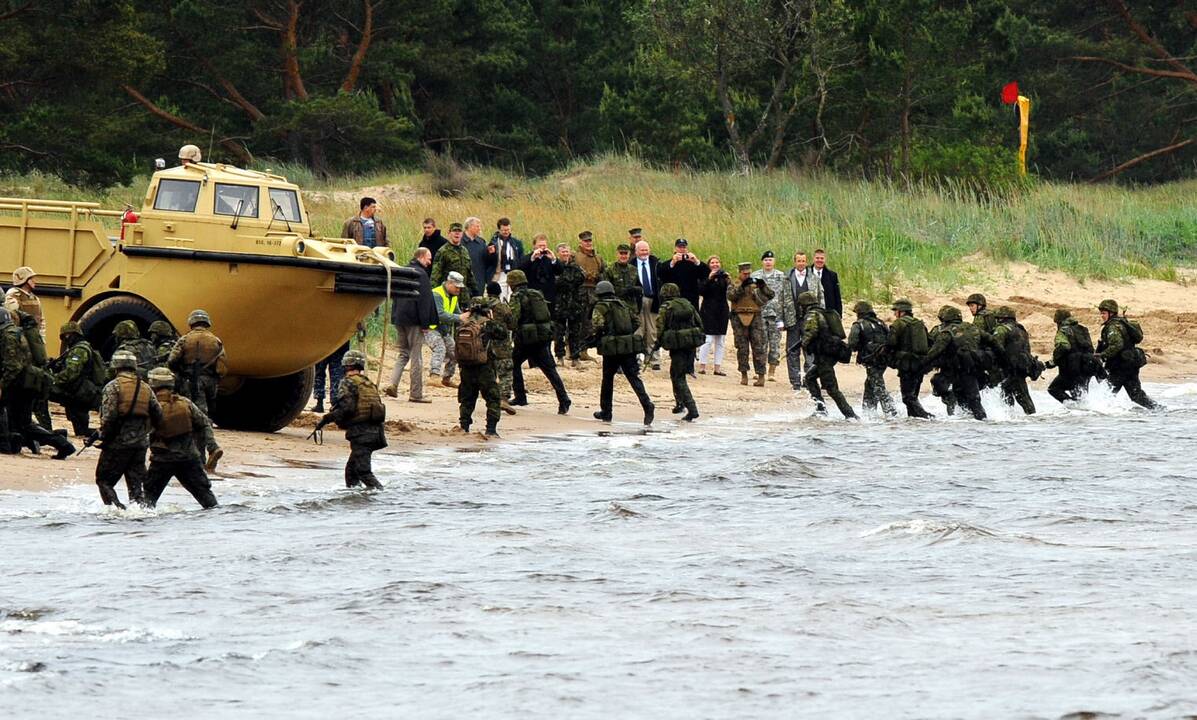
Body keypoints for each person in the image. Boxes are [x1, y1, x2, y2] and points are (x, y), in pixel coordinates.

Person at [0, 308, 75, 458]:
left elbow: (13, 366)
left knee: (22, 423)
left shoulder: (8, 336)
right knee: (20, 422)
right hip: (27, 382)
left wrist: (1, 385)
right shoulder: (16, 331)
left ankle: (61, 443)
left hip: (20, 385)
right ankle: (17, 446)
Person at [95, 350, 164, 508]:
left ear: (115, 367)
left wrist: (103, 436)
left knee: (104, 481)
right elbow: (158, 415)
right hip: (140, 445)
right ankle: (140, 514)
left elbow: (109, 416)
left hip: (118, 444)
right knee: (136, 487)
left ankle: (116, 510)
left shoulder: (113, 387)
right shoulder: (146, 387)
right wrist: (146, 432)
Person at [143, 367, 219, 509]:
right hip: (189, 459)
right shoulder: (185, 403)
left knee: (146, 502)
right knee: (208, 501)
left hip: (162, 461)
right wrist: (212, 446)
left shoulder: (151, 406)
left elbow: (142, 435)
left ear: (152, 384)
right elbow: (204, 424)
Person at [316, 350, 386, 489]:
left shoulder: (348, 382)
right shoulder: (368, 383)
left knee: (363, 472)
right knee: (351, 472)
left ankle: (382, 497)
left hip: (362, 433)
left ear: (346, 365)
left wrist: (326, 419)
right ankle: (357, 500)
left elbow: (346, 408)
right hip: (376, 433)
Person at [590, 281, 654, 425]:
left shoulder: (600, 306)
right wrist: (624, 335)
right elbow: (636, 322)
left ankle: (606, 411)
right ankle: (647, 405)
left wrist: (600, 337)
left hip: (611, 349)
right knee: (633, 377)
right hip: (628, 346)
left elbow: (597, 325)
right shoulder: (623, 304)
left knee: (607, 379)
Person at [508, 270, 571, 414]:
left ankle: (520, 396)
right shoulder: (536, 294)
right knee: (550, 370)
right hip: (542, 337)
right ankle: (563, 399)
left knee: (513, 364)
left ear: (512, 284)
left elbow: (513, 318)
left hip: (525, 339)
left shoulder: (517, 296)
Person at [383, 248, 437, 403]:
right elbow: (424, 301)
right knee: (416, 356)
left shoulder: (403, 270)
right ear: (420, 257)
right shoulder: (421, 274)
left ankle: (393, 384)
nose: (429, 262)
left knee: (403, 353)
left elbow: (394, 295)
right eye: (428, 258)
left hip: (400, 319)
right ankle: (416, 393)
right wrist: (425, 323)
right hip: (414, 320)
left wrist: (395, 317)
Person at [798, 291, 857, 419]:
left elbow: (810, 332)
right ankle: (821, 409)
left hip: (824, 355)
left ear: (804, 305)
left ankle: (850, 415)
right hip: (832, 352)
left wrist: (804, 344)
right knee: (809, 378)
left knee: (831, 388)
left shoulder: (812, 315)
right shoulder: (825, 313)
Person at [456, 297, 508, 436]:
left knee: (467, 399)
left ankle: (464, 426)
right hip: (485, 367)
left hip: (466, 367)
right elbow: (503, 334)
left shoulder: (463, 325)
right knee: (493, 398)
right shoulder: (488, 324)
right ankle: (491, 429)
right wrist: (491, 318)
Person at [925, 305, 987, 420]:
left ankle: (956, 419)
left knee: (949, 393)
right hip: (970, 368)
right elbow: (991, 341)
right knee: (973, 400)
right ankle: (978, 421)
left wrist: (921, 364)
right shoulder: (972, 328)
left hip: (951, 369)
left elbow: (932, 351)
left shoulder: (942, 331)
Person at [1097, 299, 1159, 409]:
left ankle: (1099, 415)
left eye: (1104, 313)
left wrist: (1102, 355)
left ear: (1111, 313)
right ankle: (1159, 410)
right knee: (1136, 395)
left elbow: (1117, 345)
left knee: (1105, 393)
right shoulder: (1122, 323)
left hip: (1120, 366)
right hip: (1130, 364)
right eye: (1101, 313)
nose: (1102, 316)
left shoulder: (1113, 327)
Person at [655, 283, 703, 421]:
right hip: (691, 344)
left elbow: (660, 327)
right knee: (677, 373)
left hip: (677, 346)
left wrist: (657, 342)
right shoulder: (687, 304)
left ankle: (692, 409)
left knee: (678, 376)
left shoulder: (666, 307)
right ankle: (679, 403)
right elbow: (699, 323)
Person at [50, 321, 107, 437]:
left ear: (74, 335)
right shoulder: (77, 348)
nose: (65, 339)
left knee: (82, 429)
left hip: (80, 392)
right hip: (80, 392)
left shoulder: (80, 350)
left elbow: (71, 373)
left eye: (67, 336)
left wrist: (52, 379)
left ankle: (104, 434)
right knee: (80, 429)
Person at [168, 309, 227, 418]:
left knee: (196, 409)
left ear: (191, 322)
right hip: (211, 380)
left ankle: (200, 430)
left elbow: (172, 360)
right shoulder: (216, 341)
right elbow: (222, 366)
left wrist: (180, 372)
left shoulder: (185, 339)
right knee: (209, 407)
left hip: (191, 379)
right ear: (207, 322)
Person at [727, 262, 773, 387]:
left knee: (758, 346)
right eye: (744, 273)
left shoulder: (756, 284)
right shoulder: (734, 283)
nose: (747, 276)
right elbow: (731, 296)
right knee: (742, 347)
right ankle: (744, 374)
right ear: (740, 273)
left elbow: (770, 295)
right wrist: (742, 287)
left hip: (755, 316)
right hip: (738, 316)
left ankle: (761, 375)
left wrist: (762, 286)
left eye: (748, 273)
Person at [847, 301, 897, 416]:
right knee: (870, 384)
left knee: (877, 385)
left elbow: (852, 344)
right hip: (884, 358)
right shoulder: (881, 323)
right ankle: (869, 412)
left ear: (859, 313)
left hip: (870, 359)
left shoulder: (858, 324)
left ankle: (891, 412)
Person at [886, 299, 933, 418]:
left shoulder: (898, 324)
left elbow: (891, 343)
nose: (894, 314)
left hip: (906, 365)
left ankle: (926, 416)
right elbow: (930, 341)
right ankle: (913, 420)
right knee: (913, 396)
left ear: (901, 312)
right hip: (921, 365)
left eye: (895, 311)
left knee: (907, 397)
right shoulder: (919, 323)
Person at [990, 306, 1039, 415]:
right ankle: (1014, 418)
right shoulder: (1021, 329)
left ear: (1000, 318)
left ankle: (1012, 418)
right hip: (1022, 366)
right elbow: (1027, 349)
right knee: (1015, 394)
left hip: (1009, 368)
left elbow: (996, 347)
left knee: (1018, 396)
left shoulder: (1002, 329)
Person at [1047, 308, 1104, 403]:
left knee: (1054, 389)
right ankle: (1081, 412)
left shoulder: (1063, 331)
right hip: (1087, 367)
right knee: (1081, 397)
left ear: (1059, 321)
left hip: (1071, 369)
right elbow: (1090, 349)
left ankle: (1073, 407)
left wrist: (1053, 361)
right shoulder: (1083, 329)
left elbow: (1064, 347)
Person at [751, 250, 787, 382]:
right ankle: (759, 371)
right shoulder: (756, 275)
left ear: (774, 261)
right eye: (765, 260)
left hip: (776, 316)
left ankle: (772, 372)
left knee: (775, 344)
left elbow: (785, 297)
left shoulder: (781, 276)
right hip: (759, 314)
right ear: (762, 262)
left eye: (770, 260)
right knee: (760, 344)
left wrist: (783, 318)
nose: (768, 262)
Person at [484, 282, 518, 414]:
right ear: (499, 293)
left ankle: (490, 398)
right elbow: (512, 325)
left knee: (488, 372)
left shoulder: (480, 304)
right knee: (505, 372)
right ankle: (503, 398)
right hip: (501, 345)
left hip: (484, 344)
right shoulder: (503, 307)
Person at [552, 244, 588, 367]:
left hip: (574, 304)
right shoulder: (555, 267)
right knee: (559, 332)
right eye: (563, 252)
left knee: (575, 332)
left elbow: (582, 277)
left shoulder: (575, 267)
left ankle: (575, 357)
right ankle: (560, 356)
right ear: (558, 253)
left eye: (567, 251)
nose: (565, 254)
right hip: (559, 304)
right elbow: (554, 282)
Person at [783, 252, 815, 389]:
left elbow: (821, 298)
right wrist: (780, 319)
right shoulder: (787, 279)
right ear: (795, 262)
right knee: (792, 350)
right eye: (798, 261)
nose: (801, 263)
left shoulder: (814, 278)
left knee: (810, 350)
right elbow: (781, 299)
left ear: (806, 262)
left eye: (803, 261)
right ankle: (795, 381)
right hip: (792, 319)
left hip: (810, 320)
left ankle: (809, 380)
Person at [574, 230, 606, 361]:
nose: (588, 243)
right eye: (586, 241)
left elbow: (604, 272)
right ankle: (575, 349)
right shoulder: (575, 257)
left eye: (590, 240)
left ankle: (584, 350)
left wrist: (597, 277)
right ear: (580, 242)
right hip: (581, 292)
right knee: (579, 322)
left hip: (594, 292)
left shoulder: (598, 258)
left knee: (590, 323)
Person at [430, 272, 466, 388]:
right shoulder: (437, 294)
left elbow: (457, 313)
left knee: (454, 352)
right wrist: (460, 317)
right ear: (449, 283)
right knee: (440, 349)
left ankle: (446, 378)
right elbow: (440, 314)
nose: (458, 290)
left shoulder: (453, 296)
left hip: (444, 330)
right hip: (431, 328)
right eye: (457, 287)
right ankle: (434, 376)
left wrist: (469, 319)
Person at [697, 256, 730, 375]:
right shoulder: (705, 276)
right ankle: (702, 366)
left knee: (720, 340)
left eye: (717, 262)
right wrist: (709, 278)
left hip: (722, 310)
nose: (715, 264)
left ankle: (717, 367)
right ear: (708, 264)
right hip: (708, 309)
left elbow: (729, 292)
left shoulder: (724, 277)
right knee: (708, 339)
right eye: (712, 262)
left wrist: (728, 280)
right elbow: (700, 290)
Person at [633, 239, 662, 370]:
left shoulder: (656, 263)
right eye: (642, 250)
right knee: (638, 330)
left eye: (646, 250)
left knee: (653, 330)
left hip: (653, 299)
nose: (645, 252)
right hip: (637, 301)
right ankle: (637, 357)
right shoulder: (631, 264)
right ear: (636, 251)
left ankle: (653, 359)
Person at [430, 222, 476, 301]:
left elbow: (469, 273)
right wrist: (433, 294)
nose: (457, 233)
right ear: (449, 233)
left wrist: (475, 290)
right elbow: (435, 275)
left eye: (459, 231)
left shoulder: (464, 251)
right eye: (454, 231)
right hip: (448, 294)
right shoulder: (443, 251)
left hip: (464, 295)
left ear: (462, 234)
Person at [657, 238, 704, 309]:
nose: (682, 249)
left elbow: (705, 274)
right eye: (679, 247)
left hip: (691, 299)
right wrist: (672, 263)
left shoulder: (692, 263)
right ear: (675, 249)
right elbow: (661, 274)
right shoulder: (669, 263)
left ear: (687, 249)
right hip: (675, 299)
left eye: (684, 247)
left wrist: (696, 261)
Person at [486, 217, 525, 297]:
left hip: (513, 273)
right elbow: (488, 261)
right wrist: (491, 254)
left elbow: (521, 258)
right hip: (500, 273)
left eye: (508, 230)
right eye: (504, 230)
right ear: (499, 230)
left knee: (513, 297)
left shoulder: (517, 242)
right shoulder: (493, 242)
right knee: (501, 296)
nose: (506, 232)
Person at [311, 340, 350, 414]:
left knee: (319, 372)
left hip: (322, 342)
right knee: (337, 373)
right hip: (340, 341)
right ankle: (335, 404)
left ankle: (320, 402)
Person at [520, 234, 559, 304]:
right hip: (533, 294)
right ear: (534, 245)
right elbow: (521, 270)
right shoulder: (528, 258)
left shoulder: (550, 258)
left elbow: (559, 271)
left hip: (549, 294)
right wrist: (532, 258)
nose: (542, 248)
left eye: (544, 245)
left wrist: (554, 259)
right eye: (539, 246)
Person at [602, 243, 642, 310]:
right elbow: (607, 292)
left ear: (629, 255)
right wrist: (623, 291)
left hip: (632, 307)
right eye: (621, 253)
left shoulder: (634, 270)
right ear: (617, 254)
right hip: (616, 307)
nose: (623, 256)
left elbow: (640, 288)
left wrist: (634, 289)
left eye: (625, 253)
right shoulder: (609, 270)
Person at [461, 217, 489, 297]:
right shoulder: (460, 241)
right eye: (477, 226)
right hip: (463, 280)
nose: (479, 229)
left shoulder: (481, 242)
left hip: (479, 279)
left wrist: (491, 254)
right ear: (470, 227)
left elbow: (486, 260)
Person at [811, 249, 842, 316]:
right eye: (817, 258)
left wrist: (839, 315)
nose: (819, 260)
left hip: (828, 313)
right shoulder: (807, 273)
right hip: (811, 313)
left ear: (825, 259)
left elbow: (837, 297)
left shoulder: (832, 275)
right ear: (813, 259)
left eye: (822, 258)